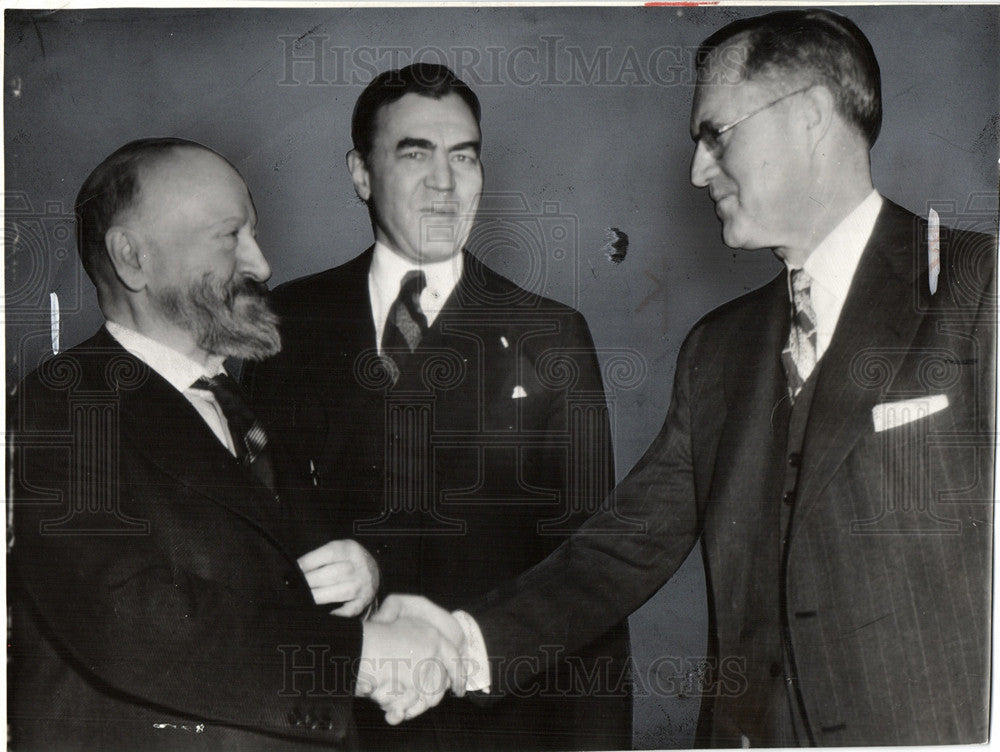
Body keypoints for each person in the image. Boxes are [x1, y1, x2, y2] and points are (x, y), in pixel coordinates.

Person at [391, 9, 995, 747]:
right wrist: (460, 642)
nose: (697, 170)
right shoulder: (719, 350)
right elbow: (620, 550)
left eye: (716, 135)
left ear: (808, 114)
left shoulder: (980, 289)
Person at [7, 137, 466, 751]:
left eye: (254, 233)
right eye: (230, 236)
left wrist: (361, 578)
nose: (261, 263)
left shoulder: (248, 404)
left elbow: (269, 572)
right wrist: (352, 659)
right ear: (132, 258)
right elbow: (129, 618)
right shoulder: (56, 408)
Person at [243, 64, 632, 751]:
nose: (445, 183)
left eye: (465, 157)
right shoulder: (285, 323)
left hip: (496, 729)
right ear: (361, 173)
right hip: (327, 723)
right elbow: (246, 529)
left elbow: (588, 579)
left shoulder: (549, 334)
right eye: (415, 153)